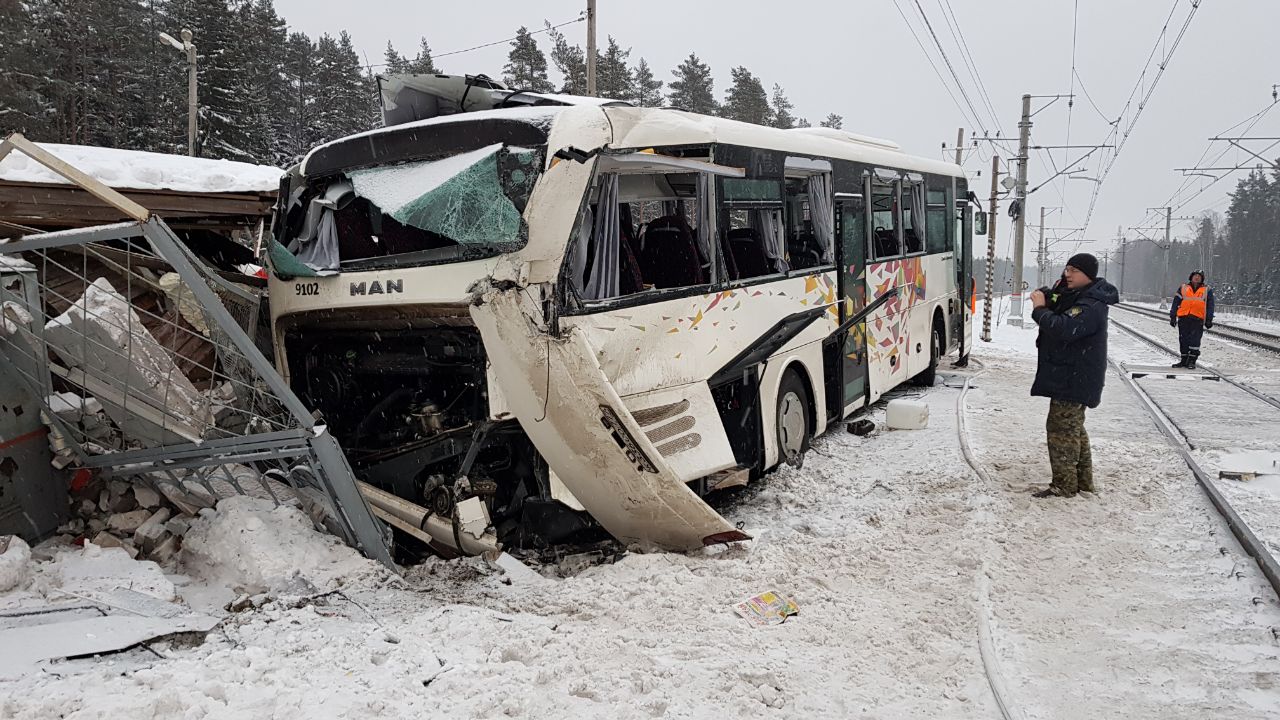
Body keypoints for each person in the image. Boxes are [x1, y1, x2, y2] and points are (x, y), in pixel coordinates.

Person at [1027, 253, 1119, 498]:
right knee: (1074, 429)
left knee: (1061, 430)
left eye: (1074, 270)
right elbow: (1060, 305)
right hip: (1072, 374)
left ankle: (1064, 486)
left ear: (1087, 275)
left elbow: (1064, 328)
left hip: (1075, 377)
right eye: (1066, 269)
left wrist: (1039, 309)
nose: (1067, 274)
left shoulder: (1091, 305)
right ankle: (1083, 484)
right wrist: (1050, 295)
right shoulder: (1081, 296)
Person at [1169, 270, 1215, 369]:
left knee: (1195, 340)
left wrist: (1209, 319)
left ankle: (1192, 360)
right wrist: (1173, 316)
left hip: (1197, 319)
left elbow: (1210, 306)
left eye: (1199, 276)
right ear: (1191, 277)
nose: (1197, 278)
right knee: (1183, 339)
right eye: (1195, 276)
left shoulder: (1207, 290)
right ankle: (1184, 359)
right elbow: (1176, 302)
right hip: (1184, 317)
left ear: (1202, 278)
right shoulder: (1183, 288)